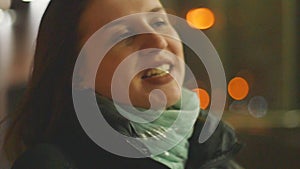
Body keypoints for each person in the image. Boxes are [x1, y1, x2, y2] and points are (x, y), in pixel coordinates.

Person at [3, 0, 244, 168]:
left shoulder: (212, 150)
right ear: (77, 70)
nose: (158, 41)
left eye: (159, 22)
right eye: (124, 35)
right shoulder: (52, 163)